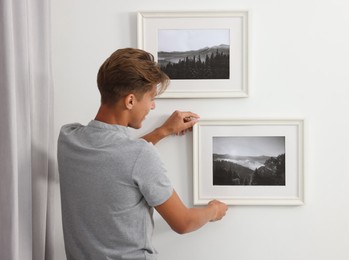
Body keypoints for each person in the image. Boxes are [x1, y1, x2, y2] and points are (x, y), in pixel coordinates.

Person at [57, 48, 228, 260]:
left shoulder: (68, 138)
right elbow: (183, 222)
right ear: (130, 101)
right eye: (151, 98)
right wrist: (213, 210)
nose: (153, 106)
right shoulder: (140, 155)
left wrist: (162, 131)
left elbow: (114, 157)